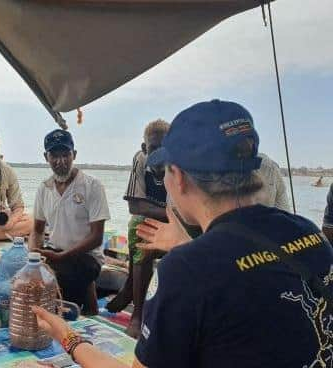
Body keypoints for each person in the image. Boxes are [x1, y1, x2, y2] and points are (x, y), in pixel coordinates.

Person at [32, 99, 333, 368]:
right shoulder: (309, 234)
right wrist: (187, 245)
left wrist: (67, 336)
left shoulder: (187, 271)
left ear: (177, 177)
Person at [30, 129, 110, 313]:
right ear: (46, 157)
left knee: (62, 278)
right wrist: (33, 255)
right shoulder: (44, 188)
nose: (61, 162)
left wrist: (62, 256)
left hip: (88, 258)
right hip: (56, 253)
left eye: (66, 154)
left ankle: (72, 314)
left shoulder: (92, 185)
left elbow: (97, 237)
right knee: (25, 275)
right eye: (54, 156)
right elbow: (37, 230)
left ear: (74, 154)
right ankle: (88, 311)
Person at [106, 119, 169, 338]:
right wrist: (169, 212)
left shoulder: (180, 163)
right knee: (139, 232)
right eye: (154, 148)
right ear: (145, 148)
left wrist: (169, 214)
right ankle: (138, 316)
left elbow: (188, 209)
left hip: (180, 222)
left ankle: (129, 290)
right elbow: (135, 205)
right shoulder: (140, 159)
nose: (159, 154)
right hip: (156, 217)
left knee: (142, 227)